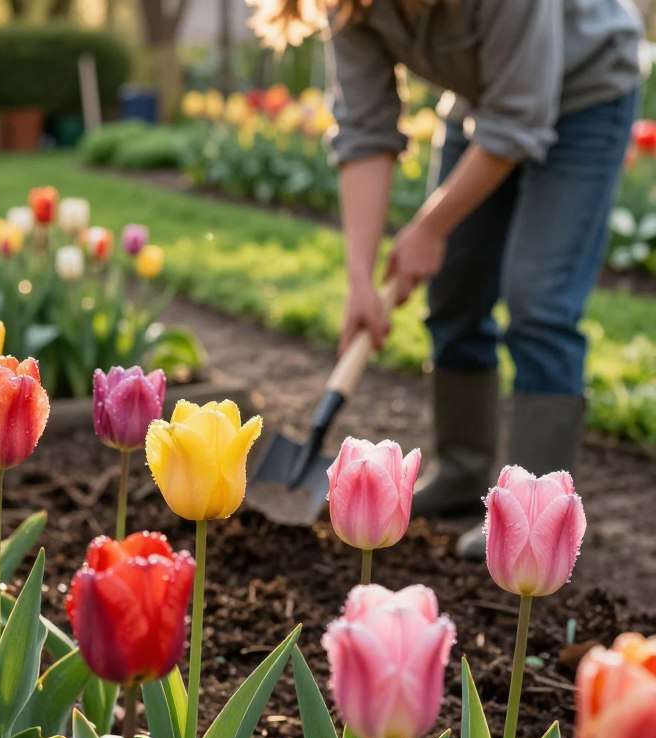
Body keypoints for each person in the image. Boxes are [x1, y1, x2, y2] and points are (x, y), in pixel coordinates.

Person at [255, 0, 643, 557]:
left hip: (587, 91)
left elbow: (521, 121)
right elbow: (365, 131)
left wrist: (430, 228)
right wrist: (361, 280)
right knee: (456, 293)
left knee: (540, 302)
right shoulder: (350, 7)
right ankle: (464, 470)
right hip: (489, 102)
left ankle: (533, 523)